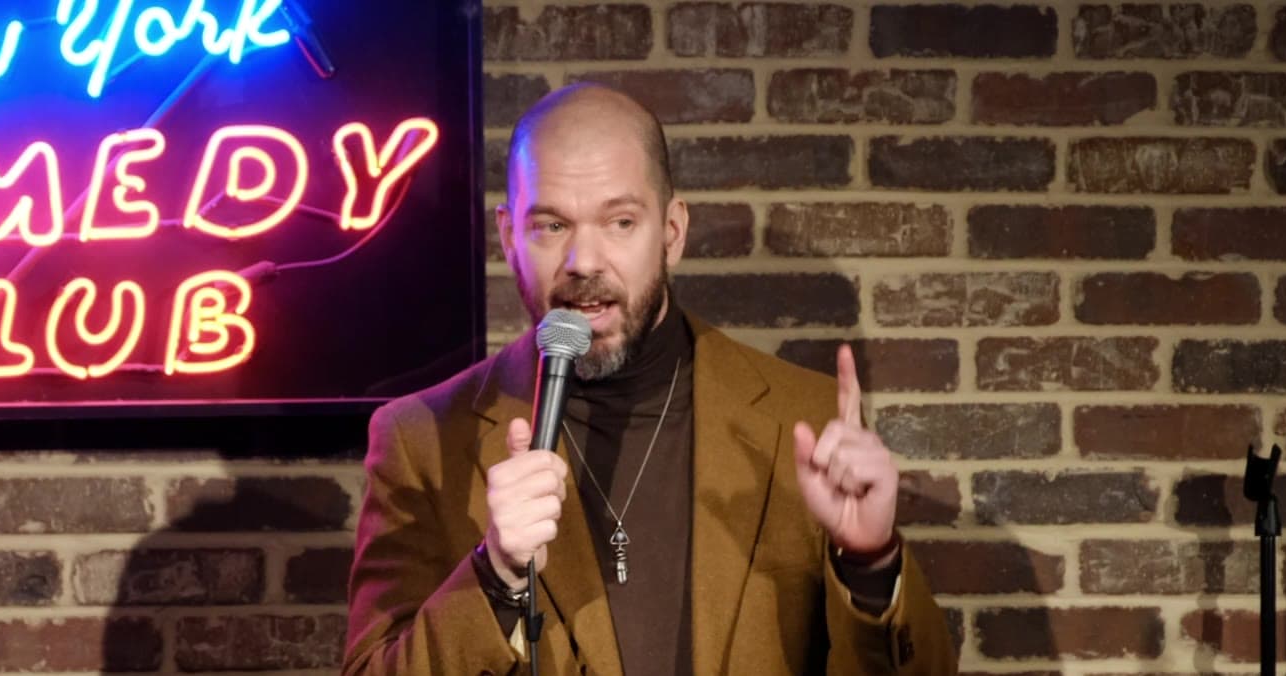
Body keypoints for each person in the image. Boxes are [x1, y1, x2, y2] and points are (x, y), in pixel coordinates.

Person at [344, 83, 955, 675]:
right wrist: (495, 574)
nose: (583, 262)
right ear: (509, 238)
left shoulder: (804, 420)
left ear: (672, 232)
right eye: (551, 226)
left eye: (620, 222)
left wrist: (871, 563)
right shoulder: (421, 439)